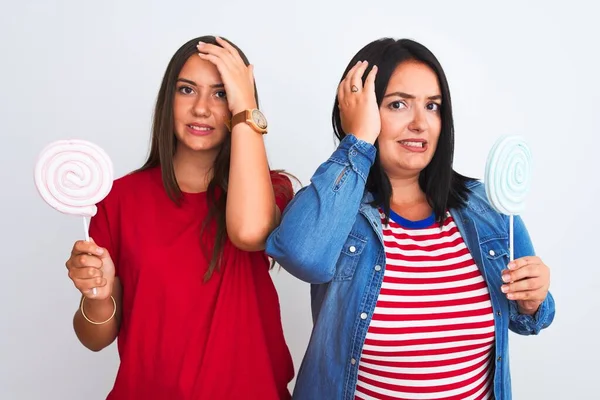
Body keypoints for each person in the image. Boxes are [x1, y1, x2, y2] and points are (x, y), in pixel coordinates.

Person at [266, 37, 555, 400]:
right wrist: (357, 140)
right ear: (362, 111)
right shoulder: (339, 210)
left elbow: (530, 317)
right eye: (398, 104)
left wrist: (534, 299)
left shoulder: (486, 208)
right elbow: (300, 254)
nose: (420, 123)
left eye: (432, 106)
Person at [64, 35, 295, 399]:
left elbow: (250, 231)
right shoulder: (117, 200)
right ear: (168, 99)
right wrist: (97, 294)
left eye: (221, 94)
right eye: (187, 90)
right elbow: (95, 339)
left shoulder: (272, 190)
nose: (202, 108)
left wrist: (246, 107)